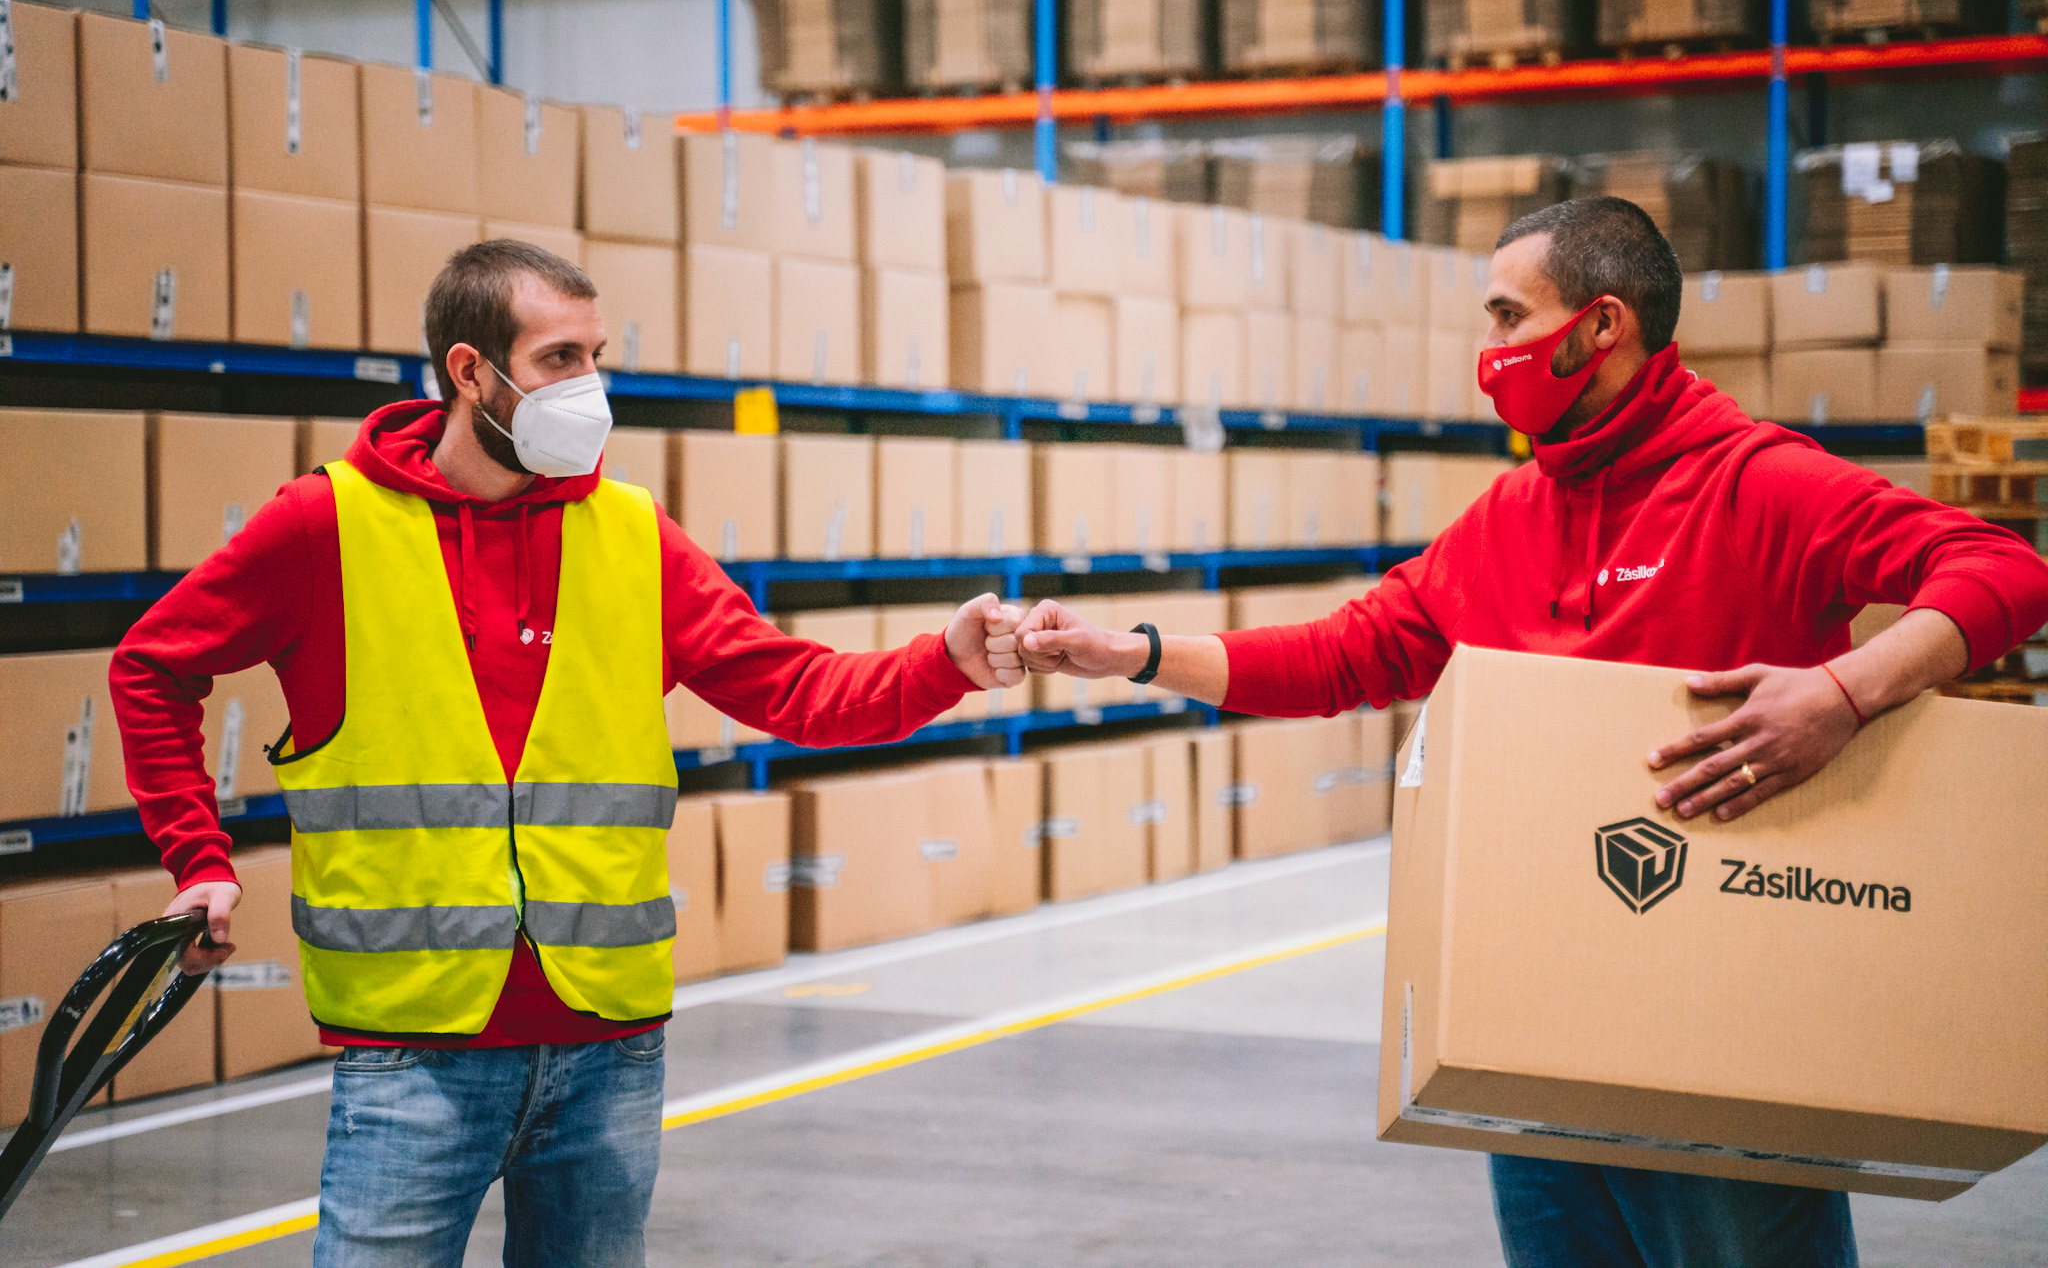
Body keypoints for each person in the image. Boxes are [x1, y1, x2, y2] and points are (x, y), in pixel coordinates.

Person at [1008, 197, 2048, 1268]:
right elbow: (1339, 656)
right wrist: (1128, 651)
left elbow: (2005, 572)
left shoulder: (1756, 484)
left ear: (1600, 326)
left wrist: (1841, 691)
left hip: (1725, 1026)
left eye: (1508, 316)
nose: (1489, 349)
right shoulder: (1510, 517)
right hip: (1533, 1022)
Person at [110, 239, 1024, 1266]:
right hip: (415, 1049)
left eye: (595, 356)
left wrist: (943, 663)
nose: (587, 386)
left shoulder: (633, 536)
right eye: (557, 359)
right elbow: (151, 667)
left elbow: (799, 692)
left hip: (608, 1042)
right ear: (469, 371)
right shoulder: (327, 524)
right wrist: (198, 861)